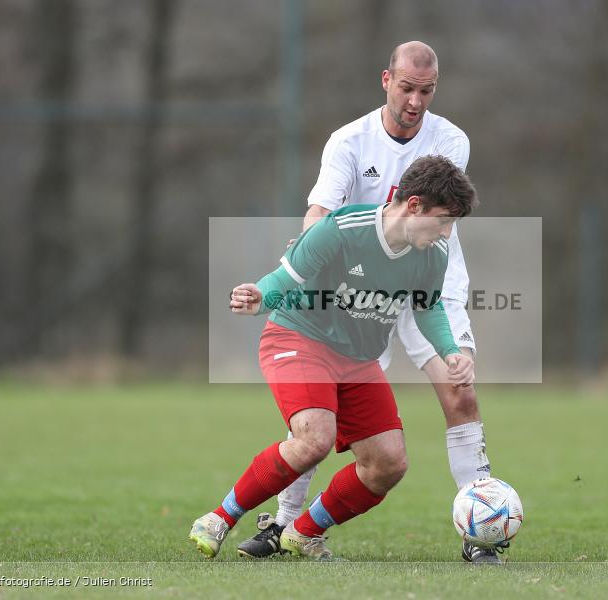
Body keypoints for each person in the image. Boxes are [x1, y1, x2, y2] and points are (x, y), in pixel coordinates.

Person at [237, 41, 504, 565]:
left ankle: (480, 528)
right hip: (357, 287)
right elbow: (321, 210)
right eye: (406, 88)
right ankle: (286, 524)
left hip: (429, 274)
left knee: (460, 394)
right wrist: (309, 261)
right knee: (321, 411)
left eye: (426, 91)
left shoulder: (450, 140)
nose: (415, 101)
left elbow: (431, 209)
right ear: (386, 80)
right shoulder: (349, 141)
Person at [190, 155, 478, 561]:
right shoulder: (342, 229)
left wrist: (450, 352)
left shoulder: (433, 253)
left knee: (388, 464)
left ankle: (302, 532)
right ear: (414, 205)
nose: (447, 231)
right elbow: (286, 277)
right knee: (314, 439)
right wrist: (258, 297)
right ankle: (219, 518)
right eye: (444, 219)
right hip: (299, 338)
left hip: (358, 359)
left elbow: (427, 307)